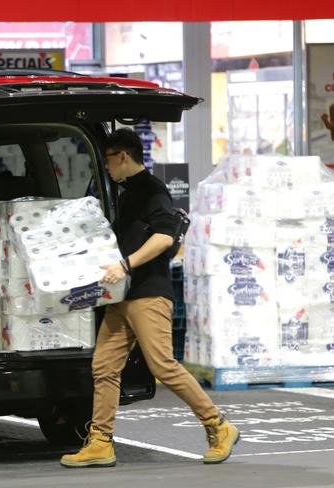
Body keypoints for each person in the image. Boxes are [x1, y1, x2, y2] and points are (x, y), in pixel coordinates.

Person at [60, 128, 239, 468]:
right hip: (124, 295)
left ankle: (218, 425)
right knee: (104, 366)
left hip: (148, 293)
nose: (107, 167)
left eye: (109, 160)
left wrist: (125, 265)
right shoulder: (125, 192)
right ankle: (100, 441)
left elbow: (163, 237)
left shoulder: (152, 190)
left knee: (163, 365)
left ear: (124, 156)